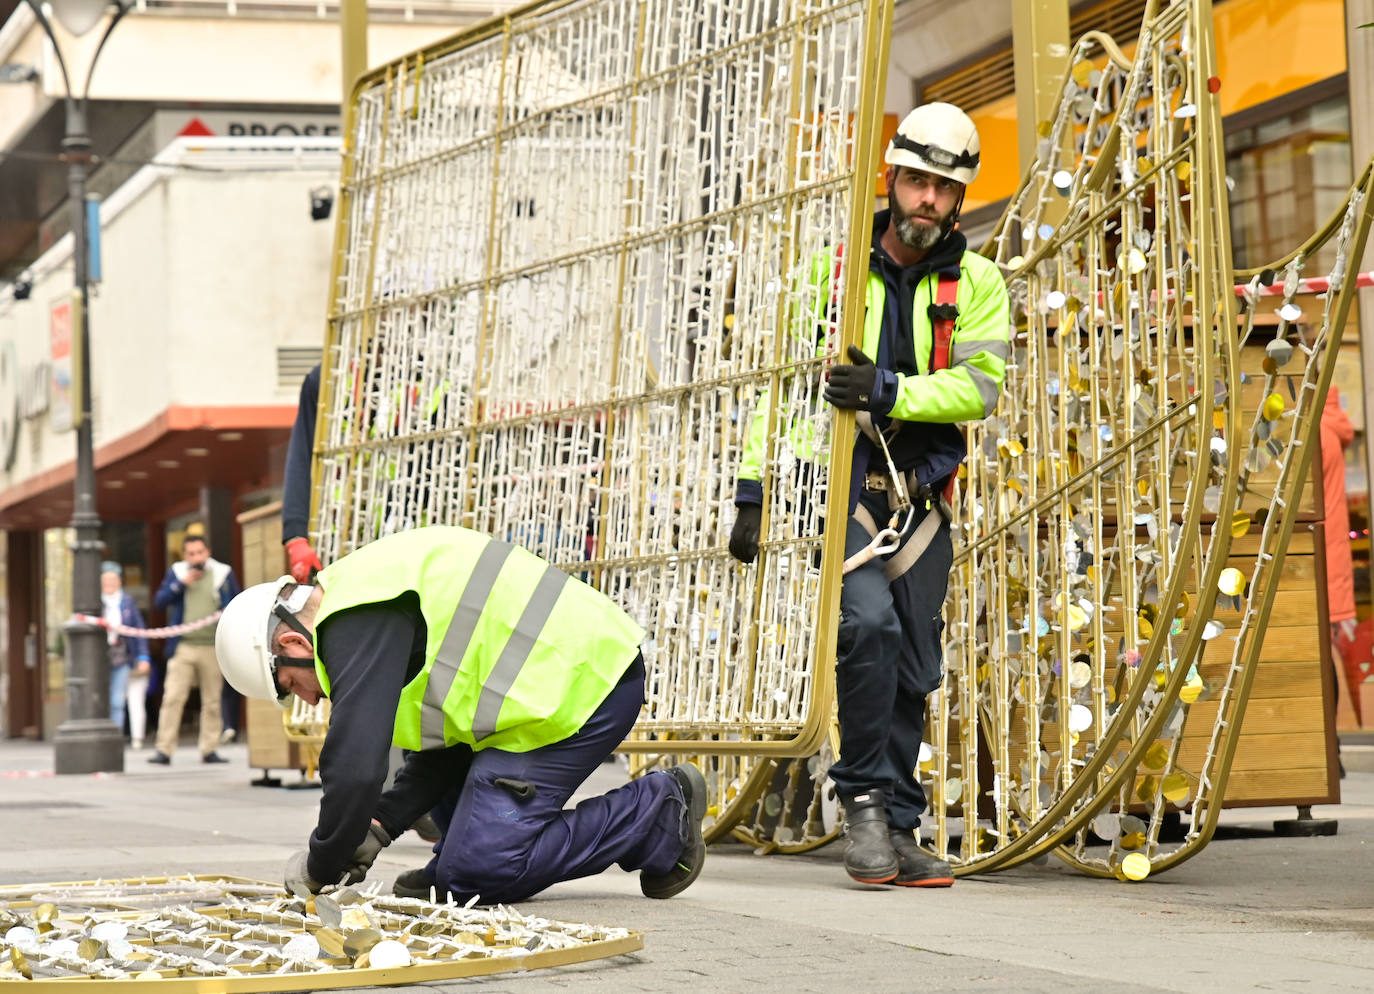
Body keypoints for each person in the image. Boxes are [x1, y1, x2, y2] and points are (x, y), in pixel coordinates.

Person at [728, 102, 1009, 888]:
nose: (927, 199)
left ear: (958, 199)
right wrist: (754, 483)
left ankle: (898, 821)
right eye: (916, 181)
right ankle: (861, 806)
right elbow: (783, 384)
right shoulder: (831, 272)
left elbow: (979, 390)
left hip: (920, 490)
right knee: (870, 629)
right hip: (848, 482)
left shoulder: (980, 285)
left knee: (917, 662)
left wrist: (887, 389)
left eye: (942, 189)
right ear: (890, 179)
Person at [214, 525, 706, 905]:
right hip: (551, 683)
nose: (311, 698)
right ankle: (459, 857)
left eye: (290, 686)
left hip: (581, 684)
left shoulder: (354, 620)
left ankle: (658, 811)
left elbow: (354, 767)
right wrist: (380, 827)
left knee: (477, 875)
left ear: (292, 644)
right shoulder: (366, 602)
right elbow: (444, 748)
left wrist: (323, 861)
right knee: (457, 870)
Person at [149, 534, 241, 765]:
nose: (196, 557)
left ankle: (209, 749)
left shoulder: (222, 573)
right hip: (183, 646)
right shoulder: (177, 572)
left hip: (211, 646)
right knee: (172, 697)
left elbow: (235, 605)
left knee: (212, 700)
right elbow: (159, 602)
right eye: (191, 554)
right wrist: (181, 584)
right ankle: (164, 749)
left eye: (199, 552)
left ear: (207, 552)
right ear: (185, 555)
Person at [102, 562, 152, 749]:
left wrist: (143, 656)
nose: (109, 583)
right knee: (102, 699)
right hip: (100, 658)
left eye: (113, 579)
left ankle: (115, 737)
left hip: (121, 656)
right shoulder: (96, 603)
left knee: (117, 699)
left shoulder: (127, 602)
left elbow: (138, 630)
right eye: (106, 580)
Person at [282, 363, 324, 584]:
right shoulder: (325, 378)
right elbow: (301, 455)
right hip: (339, 539)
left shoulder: (431, 370)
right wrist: (296, 535)